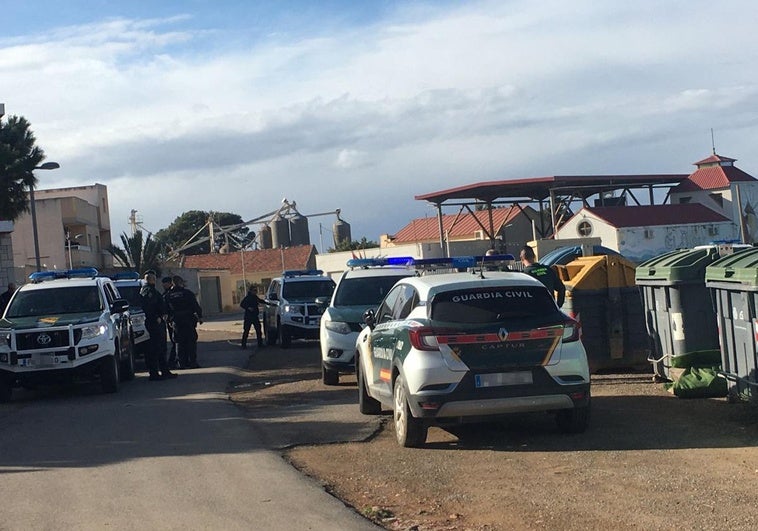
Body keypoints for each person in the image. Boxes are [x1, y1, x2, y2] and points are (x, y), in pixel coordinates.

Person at [139, 271, 177, 381]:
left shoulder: (150, 290)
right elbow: (149, 306)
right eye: (154, 279)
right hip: (154, 324)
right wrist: (157, 317)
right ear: (151, 280)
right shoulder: (148, 291)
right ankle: (155, 373)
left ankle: (164, 371)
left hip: (157, 323)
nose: (155, 281)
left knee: (160, 349)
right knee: (155, 349)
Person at [166, 275, 203, 369]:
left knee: (179, 342)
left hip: (176, 321)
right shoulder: (187, 293)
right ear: (180, 282)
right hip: (188, 320)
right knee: (191, 341)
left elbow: (165, 309)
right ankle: (193, 362)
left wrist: (169, 320)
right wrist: (200, 317)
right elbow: (195, 306)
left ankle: (181, 363)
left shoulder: (168, 295)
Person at [161, 276, 178, 369]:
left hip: (174, 319)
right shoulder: (165, 294)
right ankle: (174, 360)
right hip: (171, 320)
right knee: (175, 340)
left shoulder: (169, 294)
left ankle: (174, 360)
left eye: (165, 284)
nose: (164, 286)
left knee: (176, 340)